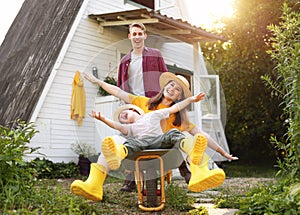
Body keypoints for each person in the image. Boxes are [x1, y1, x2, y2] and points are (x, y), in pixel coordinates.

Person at [70, 71, 238, 202]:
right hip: (137, 148)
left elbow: (201, 135)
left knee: (184, 135)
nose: (172, 89)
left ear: (179, 96)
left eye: (177, 89)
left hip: (167, 155)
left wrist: (222, 152)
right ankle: (94, 185)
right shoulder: (144, 104)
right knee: (113, 141)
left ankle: (198, 172)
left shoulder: (177, 117)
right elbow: (119, 92)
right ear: (165, 86)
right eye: (171, 85)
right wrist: (98, 82)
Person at [117, 22, 190, 190]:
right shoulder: (125, 61)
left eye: (139, 34)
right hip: (134, 104)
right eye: (133, 34)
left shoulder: (155, 55)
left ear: (145, 35)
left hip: (152, 101)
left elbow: (166, 77)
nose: (136, 37)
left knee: (162, 134)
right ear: (129, 37)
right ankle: (131, 179)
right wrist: (125, 105)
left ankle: (183, 169)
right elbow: (121, 84)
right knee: (132, 136)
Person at [90, 90, 205, 170]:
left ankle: (192, 150)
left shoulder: (153, 115)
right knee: (130, 143)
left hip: (159, 141)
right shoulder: (130, 128)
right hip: (142, 144)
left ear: (133, 110)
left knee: (173, 133)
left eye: (124, 113)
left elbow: (174, 108)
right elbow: (116, 126)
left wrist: (190, 100)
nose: (122, 116)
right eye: (121, 118)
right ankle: (117, 155)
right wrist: (103, 119)